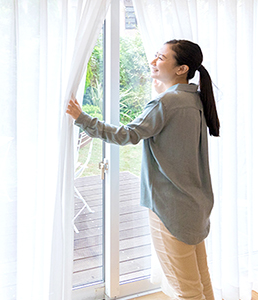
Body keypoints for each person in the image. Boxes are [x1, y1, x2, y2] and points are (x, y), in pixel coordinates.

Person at [66, 39, 219, 300]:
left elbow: (127, 135)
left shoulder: (166, 104)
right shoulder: (194, 99)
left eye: (160, 57)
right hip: (195, 205)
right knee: (200, 280)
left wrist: (82, 119)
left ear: (181, 68)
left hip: (171, 208)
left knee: (187, 290)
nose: (153, 61)